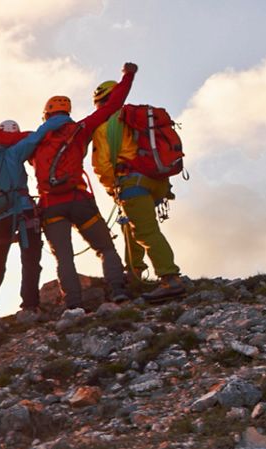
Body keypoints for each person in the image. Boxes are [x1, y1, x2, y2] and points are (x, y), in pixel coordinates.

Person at [0, 63, 138, 312]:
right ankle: (118, 292)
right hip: (80, 200)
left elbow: (1, 138)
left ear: (46, 115)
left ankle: (74, 305)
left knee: (64, 257)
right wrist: (128, 76)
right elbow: (111, 106)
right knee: (105, 248)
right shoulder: (81, 129)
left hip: (51, 207)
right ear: (68, 112)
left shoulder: (35, 138)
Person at [90, 79, 186, 303]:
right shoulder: (137, 119)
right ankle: (135, 272)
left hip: (132, 183)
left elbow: (102, 165)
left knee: (145, 232)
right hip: (157, 181)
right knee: (133, 225)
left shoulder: (104, 127)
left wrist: (112, 188)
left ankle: (169, 278)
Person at [0, 117, 63, 321]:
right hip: (22, 211)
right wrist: (57, 120)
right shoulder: (14, 152)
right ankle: (29, 306)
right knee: (30, 260)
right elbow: (36, 137)